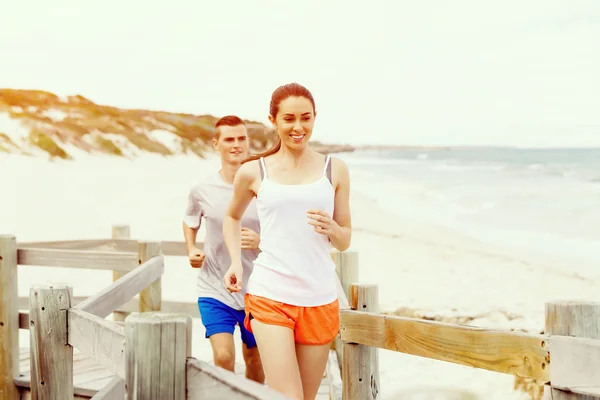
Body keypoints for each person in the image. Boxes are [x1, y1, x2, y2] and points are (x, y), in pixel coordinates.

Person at [222, 83, 352, 400]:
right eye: (289, 119)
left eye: (305, 118)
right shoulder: (254, 171)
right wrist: (236, 262)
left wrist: (333, 229)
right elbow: (231, 217)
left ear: (314, 118)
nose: (298, 127)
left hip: (319, 297)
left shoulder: (335, 169)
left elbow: (346, 239)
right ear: (273, 120)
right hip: (271, 294)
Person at [183, 115, 265, 383]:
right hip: (215, 287)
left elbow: (286, 232)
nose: (236, 144)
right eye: (229, 139)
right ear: (216, 144)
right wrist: (191, 248)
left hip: (259, 290)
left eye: (242, 138)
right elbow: (189, 220)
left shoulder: (265, 187)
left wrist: (261, 241)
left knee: (255, 359)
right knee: (224, 357)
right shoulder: (201, 188)